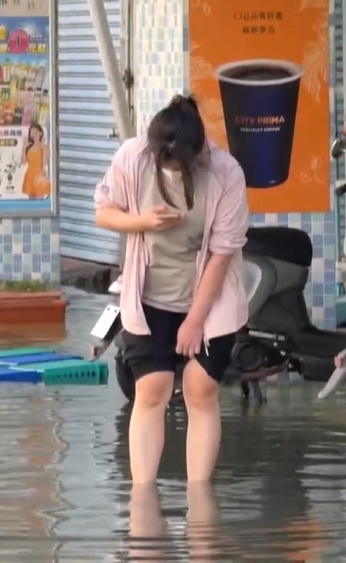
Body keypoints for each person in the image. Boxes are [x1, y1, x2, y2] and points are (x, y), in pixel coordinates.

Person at [94, 94, 249, 484]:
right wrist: (142, 221)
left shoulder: (226, 173)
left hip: (210, 300)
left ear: (198, 153)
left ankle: (199, 501)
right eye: (163, 161)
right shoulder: (133, 157)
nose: (171, 170)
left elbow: (222, 253)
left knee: (199, 390)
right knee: (152, 390)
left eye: (180, 164)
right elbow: (104, 212)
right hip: (149, 295)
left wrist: (195, 321)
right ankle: (142, 499)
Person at [21, 122, 51, 199]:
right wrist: (24, 147)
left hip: (40, 175)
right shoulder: (28, 147)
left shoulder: (43, 146)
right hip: (29, 174)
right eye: (32, 131)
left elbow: (44, 163)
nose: (34, 134)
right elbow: (23, 162)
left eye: (36, 132)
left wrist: (44, 147)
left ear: (40, 133)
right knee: (31, 201)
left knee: (39, 199)